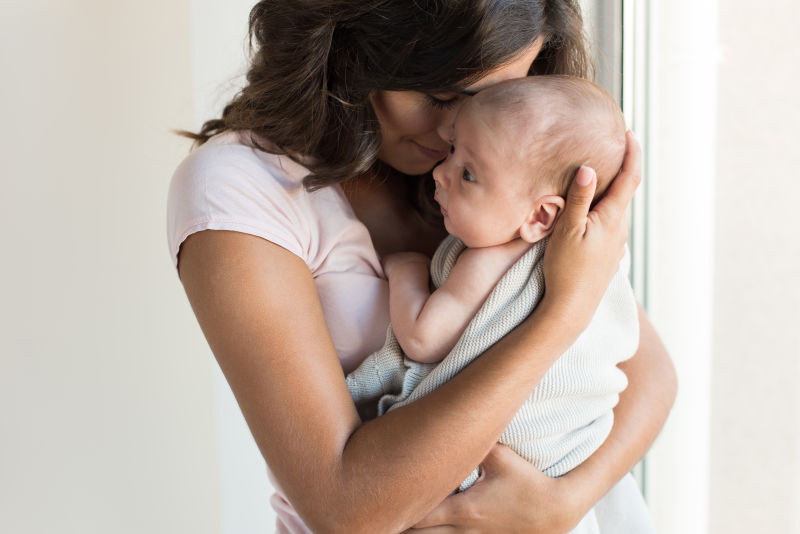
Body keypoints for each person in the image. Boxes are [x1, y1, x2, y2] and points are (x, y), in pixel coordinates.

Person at [167, 1, 677, 533]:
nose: (454, 127)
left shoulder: (513, 166)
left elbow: (651, 374)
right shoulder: (239, 188)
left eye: (489, 97)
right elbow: (348, 510)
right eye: (438, 95)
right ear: (351, 45)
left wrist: (564, 503)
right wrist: (564, 313)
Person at [346, 76, 643, 531]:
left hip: (498, 468)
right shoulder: (598, 255)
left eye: (468, 174)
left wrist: (406, 269)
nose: (440, 173)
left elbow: (423, 338)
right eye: (452, 153)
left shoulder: (489, 259)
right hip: (564, 469)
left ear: (541, 216)